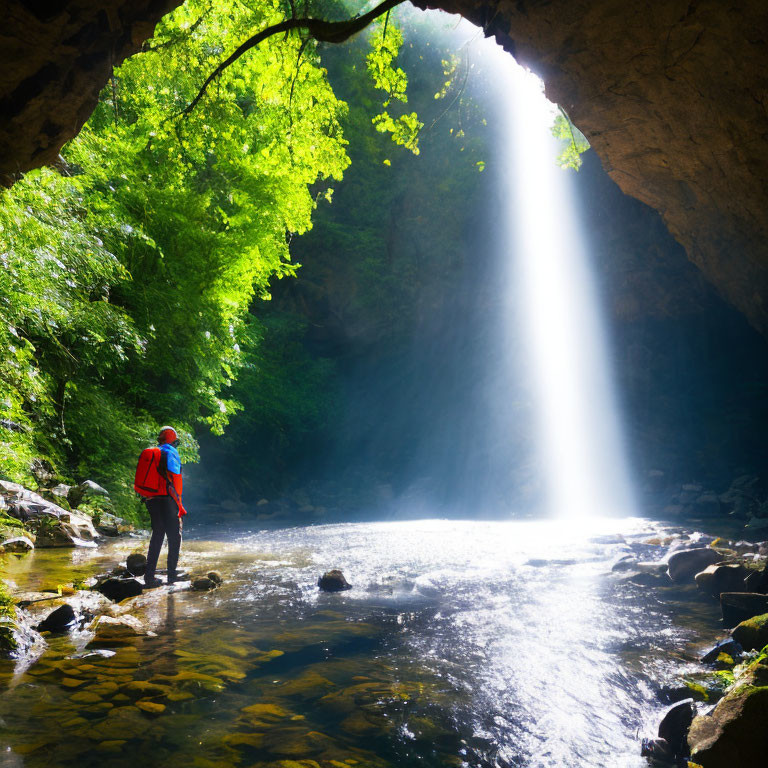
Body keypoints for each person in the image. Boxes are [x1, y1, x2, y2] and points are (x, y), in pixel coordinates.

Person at [143, 425, 187, 587]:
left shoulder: (151, 453)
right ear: (171, 440)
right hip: (167, 499)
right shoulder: (170, 452)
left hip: (151, 499)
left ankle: (149, 577)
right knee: (175, 536)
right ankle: (172, 576)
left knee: (157, 535)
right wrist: (179, 502)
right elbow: (176, 477)